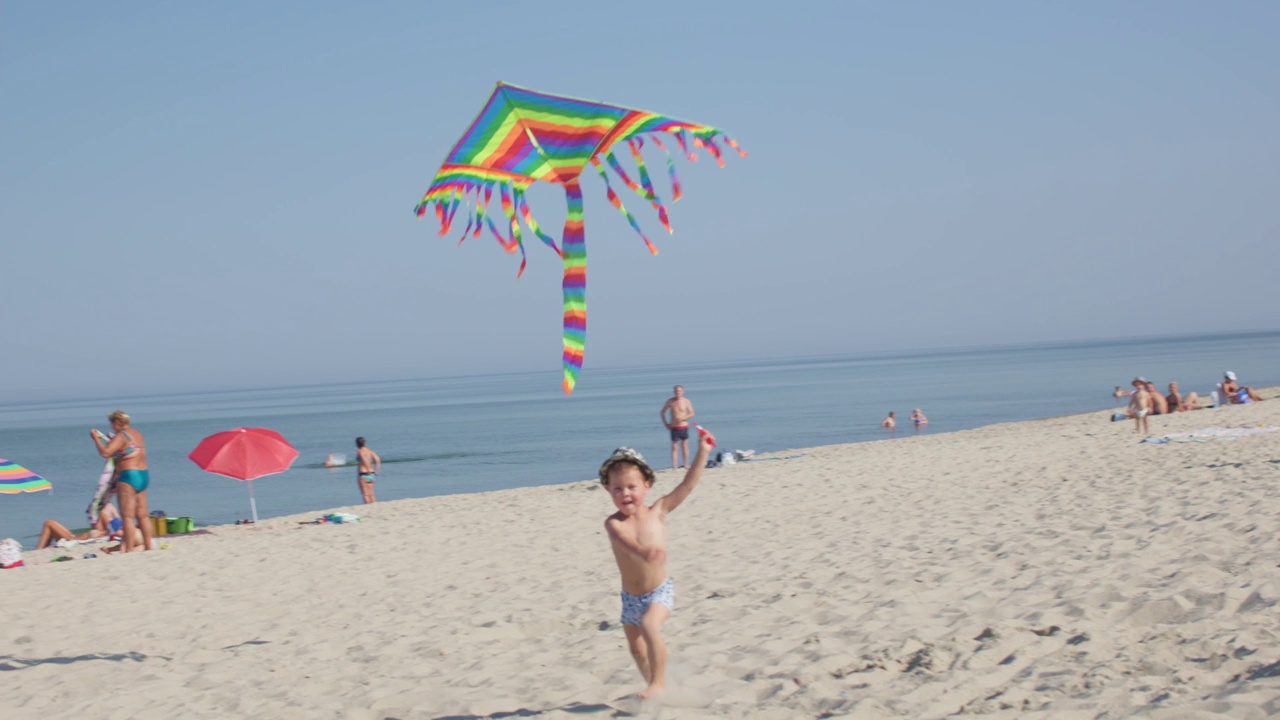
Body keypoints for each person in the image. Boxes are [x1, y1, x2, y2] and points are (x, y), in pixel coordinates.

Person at [599, 429, 715, 700]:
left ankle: (658, 683)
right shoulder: (613, 522)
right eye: (617, 488)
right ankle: (653, 685)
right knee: (636, 649)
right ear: (608, 489)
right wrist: (644, 552)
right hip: (630, 599)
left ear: (647, 485)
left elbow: (687, 484)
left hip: (658, 592)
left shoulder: (658, 511)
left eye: (631, 487)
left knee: (651, 626)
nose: (625, 493)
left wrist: (704, 451)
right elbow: (624, 541)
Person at [91, 410, 153, 552]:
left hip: (128, 476)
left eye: (112, 423)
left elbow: (105, 453)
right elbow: (128, 451)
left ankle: (129, 549)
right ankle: (149, 546)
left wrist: (95, 438)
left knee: (128, 517)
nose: (112, 427)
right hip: (143, 474)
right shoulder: (137, 434)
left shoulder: (121, 436)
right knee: (143, 515)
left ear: (118, 422)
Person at [37, 502, 123, 549]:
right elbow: (107, 508)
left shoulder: (115, 530)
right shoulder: (107, 529)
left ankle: (39, 550)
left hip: (71, 539)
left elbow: (107, 510)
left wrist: (116, 516)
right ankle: (42, 548)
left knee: (49, 523)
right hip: (73, 537)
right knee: (49, 524)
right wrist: (116, 515)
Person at [659, 385, 695, 470]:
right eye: (676, 391)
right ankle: (675, 466)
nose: (677, 392)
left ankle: (686, 464)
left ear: (683, 391)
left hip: (683, 426)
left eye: (679, 391)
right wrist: (666, 424)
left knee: (685, 446)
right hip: (674, 427)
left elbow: (692, 413)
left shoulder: (686, 401)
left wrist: (684, 418)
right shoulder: (670, 401)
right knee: (675, 447)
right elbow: (662, 412)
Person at [355, 437, 381, 504]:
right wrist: (376, 470)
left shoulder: (360, 451)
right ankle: (373, 507)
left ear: (357, 444)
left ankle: (367, 507)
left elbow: (364, 460)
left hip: (364, 474)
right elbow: (377, 459)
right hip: (372, 474)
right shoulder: (369, 450)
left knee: (365, 494)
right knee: (372, 494)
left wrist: (367, 469)